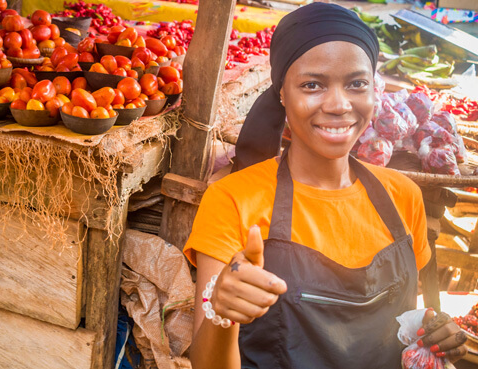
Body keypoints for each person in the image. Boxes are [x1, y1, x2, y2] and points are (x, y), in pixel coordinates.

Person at [183, 3, 468, 368]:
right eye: (312, 85)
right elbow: (206, 364)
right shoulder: (233, 200)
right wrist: (222, 312)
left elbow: (399, 323)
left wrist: (428, 331)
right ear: (282, 93)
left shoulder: (403, 195)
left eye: (356, 84)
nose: (338, 104)